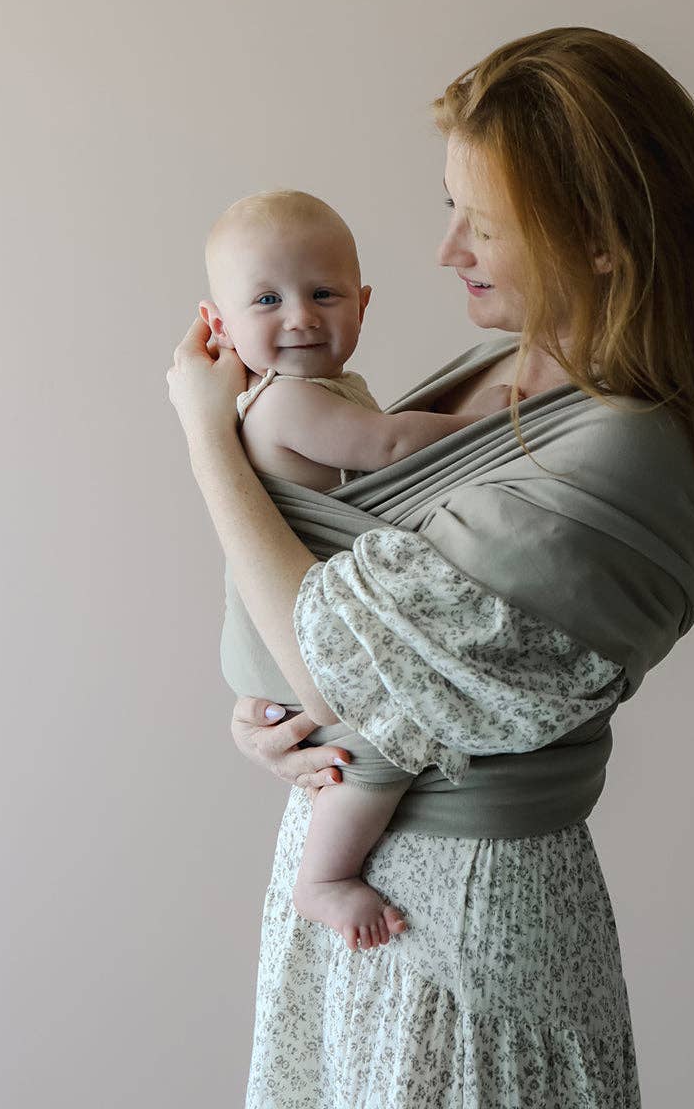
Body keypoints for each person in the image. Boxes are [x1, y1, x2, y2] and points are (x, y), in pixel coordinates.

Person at [167, 25, 694, 1109]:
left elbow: (347, 669)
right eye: (450, 206)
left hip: (455, 938)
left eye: (484, 224)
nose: (447, 249)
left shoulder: (624, 454)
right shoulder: (509, 359)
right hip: (360, 897)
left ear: (599, 241)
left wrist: (204, 434)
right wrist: (276, 723)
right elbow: (359, 625)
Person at [200, 188, 524, 950]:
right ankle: (324, 877)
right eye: (268, 300)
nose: (301, 318)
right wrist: (481, 423)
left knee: (376, 727)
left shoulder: (320, 389)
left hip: (290, 609)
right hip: (280, 630)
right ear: (220, 327)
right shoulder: (283, 403)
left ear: (363, 304)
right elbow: (388, 447)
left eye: (324, 294)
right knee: (378, 742)